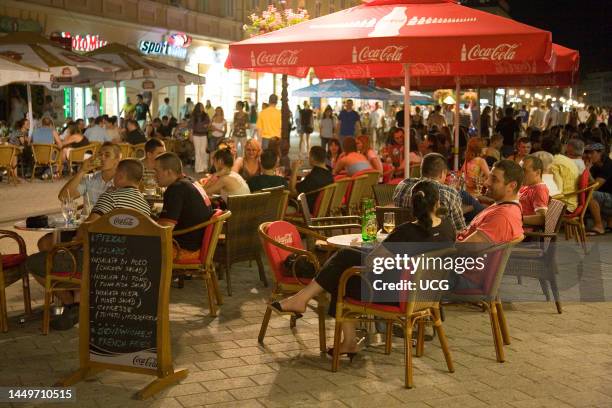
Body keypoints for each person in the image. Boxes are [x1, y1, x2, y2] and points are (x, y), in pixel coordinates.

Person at [270, 180, 455, 357]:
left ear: (414, 205)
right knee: (346, 260)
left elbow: (372, 262)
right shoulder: (448, 228)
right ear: (437, 202)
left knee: (342, 275)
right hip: (426, 295)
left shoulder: (407, 231)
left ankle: (340, 333)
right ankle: (307, 304)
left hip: (397, 297)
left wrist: (365, 249)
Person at [27, 159, 150, 330]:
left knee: (33, 261)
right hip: (129, 265)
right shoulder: (144, 205)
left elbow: (87, 228)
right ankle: (76, 305)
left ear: (121, 176)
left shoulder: (110, 196)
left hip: (97, 263)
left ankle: (72, 305)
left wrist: (72, 243)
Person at [452, 160, 524, 289]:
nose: (486, 183)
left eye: (494, 180)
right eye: (489, 177)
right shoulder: (500, 207)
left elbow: (466, 248)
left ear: (512, 186)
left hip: (463, 277)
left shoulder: (502, 216)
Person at [154, 152, 214, 260]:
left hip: (184, 250)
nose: (154, 176)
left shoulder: (176, 189)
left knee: (138, 248)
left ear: (168, 172)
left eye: (156, 171)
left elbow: (164, 229)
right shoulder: (192, 181)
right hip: (198, 245)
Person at [394, 152, 466, 234]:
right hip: (438, 244)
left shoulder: (402, 185)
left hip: (404, 242)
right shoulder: (449, 193)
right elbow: (460, 229)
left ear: (421, 170)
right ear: (442, 173)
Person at [542, 136, 579, 212]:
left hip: (565, 205)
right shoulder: (563, 158)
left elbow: (558, 191)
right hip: (571, 201)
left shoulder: (552, 162)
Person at [585, 143, 612, 235]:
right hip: (608, 197)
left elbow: (594, 187)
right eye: (587, 153)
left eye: (592, 153)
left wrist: (587, 171)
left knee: (590, 194)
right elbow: (593, 183)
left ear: (601, 153)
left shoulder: (608, 165)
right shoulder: (596, 166)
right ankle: (610, 224)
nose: (589, 155)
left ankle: (599, 225)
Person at [519, 155, 549, 227]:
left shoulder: (539, 190)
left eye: (524, 171)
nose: (520, 174)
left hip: (523, 231)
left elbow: (542, 218)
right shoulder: (528, 185)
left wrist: (516, 219)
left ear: (538, 172)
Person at [189, 102, 211, 174]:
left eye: (202, 106)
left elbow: (209, 123)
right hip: (195, 135)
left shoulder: (206, 115)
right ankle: (198, 169)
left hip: (204, 135)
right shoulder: (193, 116)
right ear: (197, 107)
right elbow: (191, 126)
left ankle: (204, 167)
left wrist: (207, 125)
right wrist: (191, 135)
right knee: (197, 152)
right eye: (201, 106)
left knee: (203, 151)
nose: (202, 107)